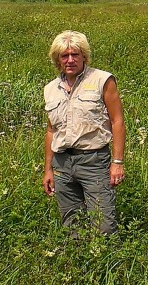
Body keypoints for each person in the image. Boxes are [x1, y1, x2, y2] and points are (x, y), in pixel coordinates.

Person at [42, 30, 126, 236]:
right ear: (57, 59)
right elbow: (51, 130)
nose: (70, 60)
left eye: (75, 54)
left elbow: (117, 121)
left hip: (94, 161)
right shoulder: (51, 89)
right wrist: (48, 169)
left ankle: (108, 263)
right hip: (62, 163)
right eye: (64, 55)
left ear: (84, 56)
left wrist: (117, 162)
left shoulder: (102, 80)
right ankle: (79, 264)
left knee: (103, 224)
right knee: (71, 224)